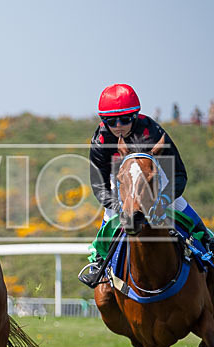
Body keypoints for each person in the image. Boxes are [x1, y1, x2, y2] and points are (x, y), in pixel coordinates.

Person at [79, 83, 213, 287]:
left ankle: (207, 243)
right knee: (110, 216)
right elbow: (99, 183)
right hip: (123, 184)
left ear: (135, 116)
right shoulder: (100, 139)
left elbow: (178, 173)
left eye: (125, 119)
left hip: (155, 180)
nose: (118, 126)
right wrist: (118, 206)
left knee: (182, 207)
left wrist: (164, 199)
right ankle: (98, 262)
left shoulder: (152, 131)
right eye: (110, 121)